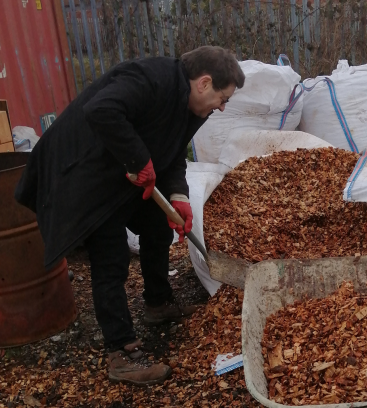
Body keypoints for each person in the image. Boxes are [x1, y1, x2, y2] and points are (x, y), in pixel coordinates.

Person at [15, 46, 245, 385]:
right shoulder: (149, 79)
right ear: (204, 82)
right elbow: (101, 109)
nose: (222, 107)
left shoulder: (192, 107)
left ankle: (157, 302)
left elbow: (172, 154)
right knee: (111, 259)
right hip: (84, 174)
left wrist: (178, 195)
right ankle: (121, 352)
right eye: (222, 98)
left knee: (156, 227)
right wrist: (138, 160)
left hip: (119, 175)